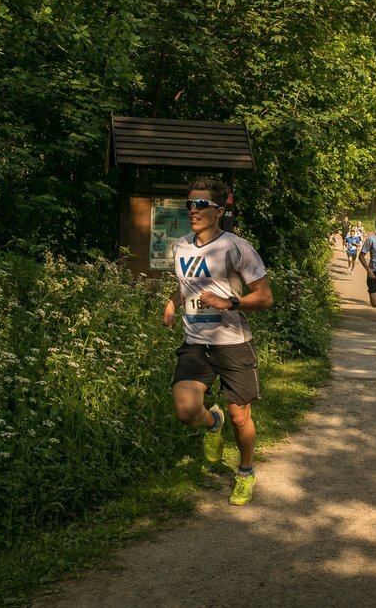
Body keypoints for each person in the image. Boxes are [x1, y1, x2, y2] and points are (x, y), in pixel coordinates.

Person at [162, 176, 274, 505]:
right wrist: (172, 302)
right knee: (186, 411)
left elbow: (265, 297)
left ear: (219, 211)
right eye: (189, 204)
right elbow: (187, 284)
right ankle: (213, 422)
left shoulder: (236, 247)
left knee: (241, 417)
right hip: (196, 343)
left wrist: (231, 303)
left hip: (233, 343)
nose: (193, 210)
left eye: (201, 205)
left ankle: (245, 472)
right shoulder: (180, 246)